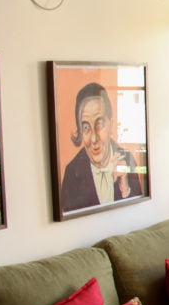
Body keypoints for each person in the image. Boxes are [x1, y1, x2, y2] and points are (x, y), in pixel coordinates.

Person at [60, 82, 141, 213]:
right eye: (86, 127)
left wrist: (125, 190)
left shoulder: (127, 159)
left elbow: (138, 215)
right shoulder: (72, 173)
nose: (93, 139)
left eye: (99, 124)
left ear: (111, 124)